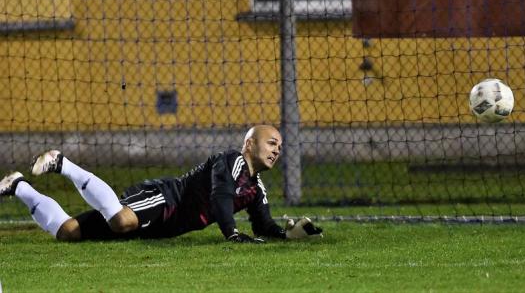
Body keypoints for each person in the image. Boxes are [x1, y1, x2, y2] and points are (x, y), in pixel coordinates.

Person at [0, 125, 322, 242]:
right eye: (271, 143)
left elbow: (263, 224)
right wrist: (232, 233)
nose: (277, 149)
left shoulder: (257, 188)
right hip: (163, 200)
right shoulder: (230, 161)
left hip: (163, 229)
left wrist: (287, 234)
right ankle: (62, 163)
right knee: (123, 221)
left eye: (279, 145)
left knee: (68, 232)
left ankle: (18, 186)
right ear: (250, 144)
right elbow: (222, 197)